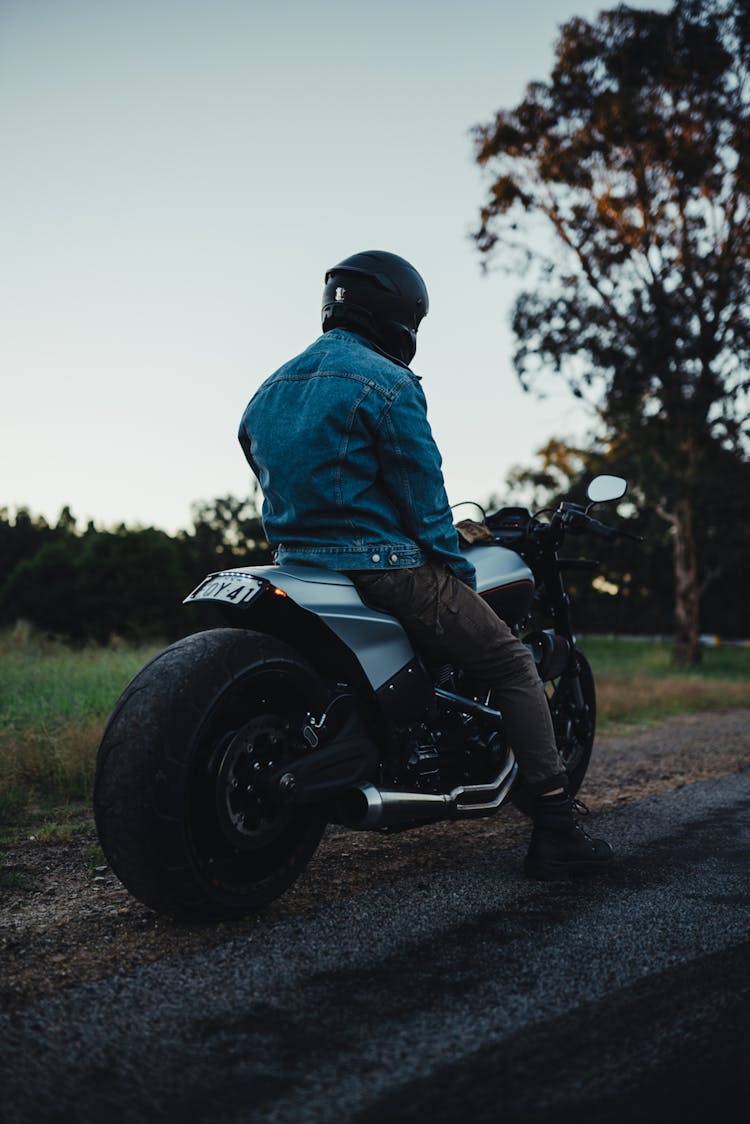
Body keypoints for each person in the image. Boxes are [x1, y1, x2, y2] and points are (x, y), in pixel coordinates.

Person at [238, 250, 612, 879]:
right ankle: (555, 827)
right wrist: (459, 579)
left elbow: (265, 466)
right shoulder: (388, 384)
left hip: (301, 568)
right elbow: (426, 504)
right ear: (397, 315)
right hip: (388, 571)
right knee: (513, 662)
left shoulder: (269, 389)